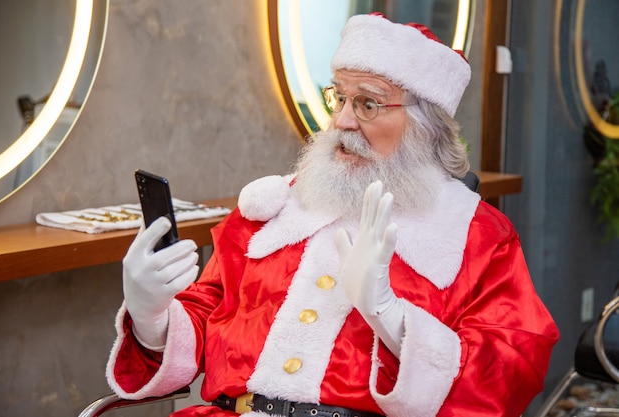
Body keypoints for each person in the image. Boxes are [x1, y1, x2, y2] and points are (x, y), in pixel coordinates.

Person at [106, 13, 559, 417]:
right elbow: (208, 313)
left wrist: (392, 319)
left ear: (426, 126)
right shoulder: (273, 209)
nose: (342, 120)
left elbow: (512, 367)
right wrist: (151, 317)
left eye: (368, 103)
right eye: (338, 98)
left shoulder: (477, 234)